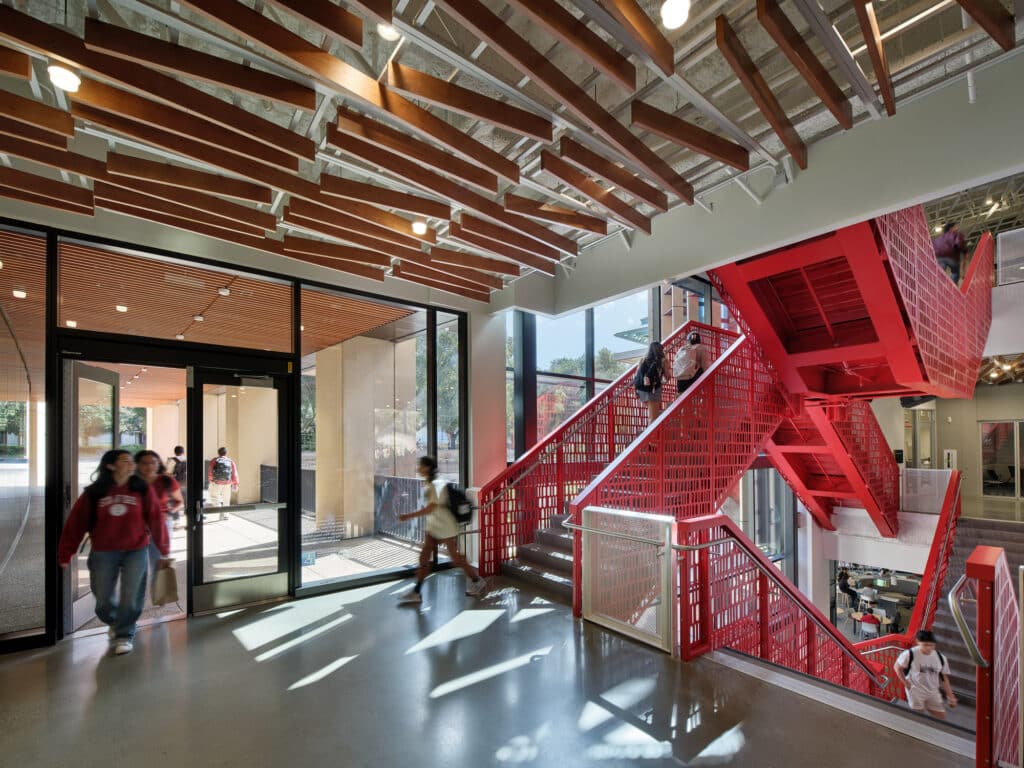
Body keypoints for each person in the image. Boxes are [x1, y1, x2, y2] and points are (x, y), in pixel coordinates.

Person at [58, 449, 169, 655]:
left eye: (131, 462)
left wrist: (163, 548)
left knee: (132, 595)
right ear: (111, 465)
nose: (131, 465)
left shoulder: (141, 489)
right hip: (103, 551)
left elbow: (156, 518)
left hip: (135, 550)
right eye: (125, 461)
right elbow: (75, 524)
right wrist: (66, 553)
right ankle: (116, 622)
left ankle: (124, 634)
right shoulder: (95, 493)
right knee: (103, 599)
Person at [397, 456, 486, 605]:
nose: (418, 468)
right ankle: (416, 592)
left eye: (421, 466)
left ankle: (477, 581)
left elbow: (432, 507)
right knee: (424, 559)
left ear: (427, 468)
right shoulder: (431, 483)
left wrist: (409, 516)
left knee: (455, 559)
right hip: (435, 526)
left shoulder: (435, 484)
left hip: (445, 527)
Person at [135, 450, 184, 573]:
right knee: (137, 566)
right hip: (135, 526)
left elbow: (179, 501)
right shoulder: (132, 482)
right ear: (137, 464)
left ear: (158, 464)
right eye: (144, 463)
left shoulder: (166, 480)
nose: (149, 466)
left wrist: (169, 513)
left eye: (153, 462)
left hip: (161, 525)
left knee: (159, 563)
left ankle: (159, 591)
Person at [894, 629, 957, 719]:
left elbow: (944, 677)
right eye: (925, 645)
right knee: (918, 716)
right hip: (915, 690)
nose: (929, 648)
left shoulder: (940, 658)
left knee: (941, 717)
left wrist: (950, 695)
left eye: (932, 645)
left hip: (932, 690)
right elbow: (897, 667)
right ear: (918, 642)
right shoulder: (910, 654)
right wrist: (905, 683)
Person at [634, 341, 670, 423]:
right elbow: (667, 377)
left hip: (642, 389)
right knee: (653, 417)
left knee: (651, 414)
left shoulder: (643, 359)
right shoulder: (663, 360)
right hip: (653, 389)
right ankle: (651, 435)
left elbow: (637, 376)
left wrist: (635, 390)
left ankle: (651, 434)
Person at [672, 331, 711, 395]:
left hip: (681, 376)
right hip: (694, 375)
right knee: (695, 396)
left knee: (681, 397)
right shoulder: (702, 348)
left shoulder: (682, 349)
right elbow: (704, 364)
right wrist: (708, 375)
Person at [207, 447, 238, 521]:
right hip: (227, 483)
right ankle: (226, 515)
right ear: (226, 453)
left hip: (217, 483)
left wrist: (211, 480)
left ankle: (219, 508)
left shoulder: (214, 460)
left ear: (218, 453)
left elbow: (210, 471)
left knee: (214, 497)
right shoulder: (230, 461)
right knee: (226, 499)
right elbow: (234, 473)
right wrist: (235, 483)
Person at [165, 445, 187, 530]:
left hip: (175, 485)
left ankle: (177, 522)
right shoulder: (188, 459)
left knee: (175, 502)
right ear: (183, 452)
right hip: (187, 484)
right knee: (186, 502)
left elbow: (167, 473)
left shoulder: (171, 460)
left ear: (175, 452)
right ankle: (189, 521)